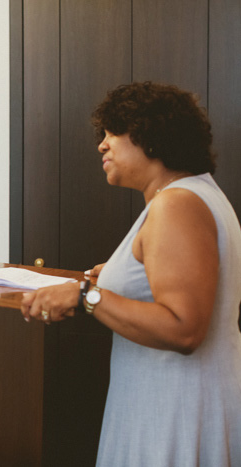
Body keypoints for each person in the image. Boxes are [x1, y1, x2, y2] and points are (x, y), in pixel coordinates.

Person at [21, 82, 241, 466]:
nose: (102, 145)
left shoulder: (176, 205)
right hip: (172, 407)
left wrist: (84, 295)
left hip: (174, 420)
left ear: (151, 136)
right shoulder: (194, 195)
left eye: (113, 133)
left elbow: (183, 328)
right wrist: (119, 275)